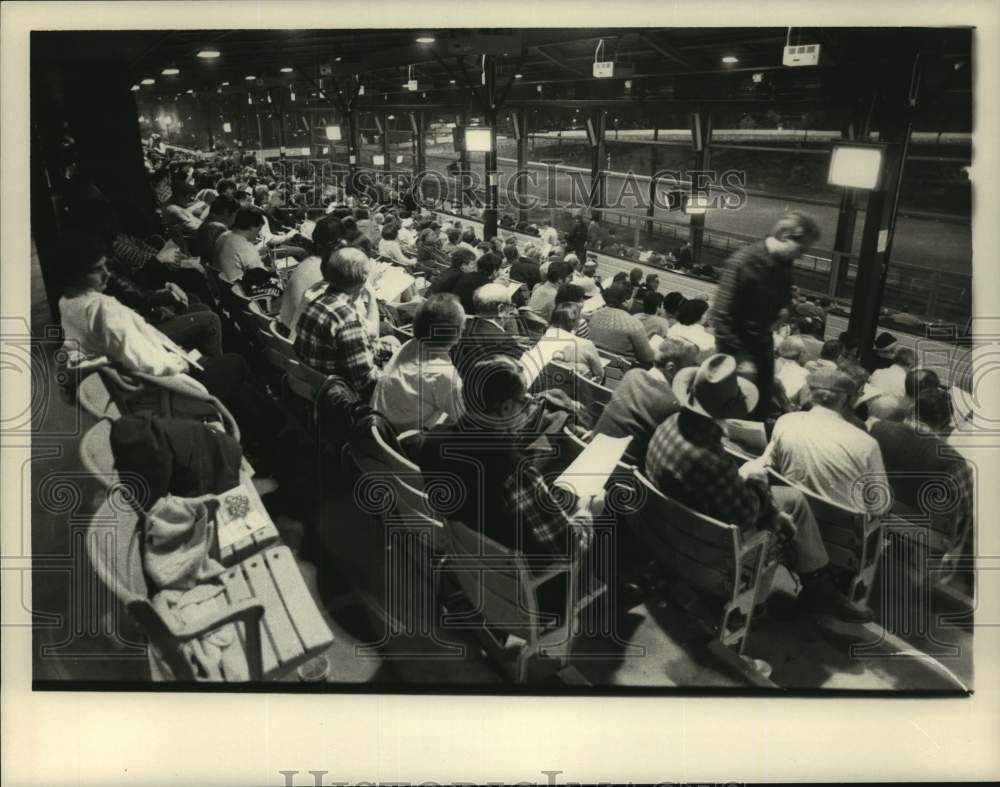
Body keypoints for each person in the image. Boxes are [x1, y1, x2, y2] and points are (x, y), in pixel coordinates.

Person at [644, 354, 872, 622]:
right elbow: (748, 514)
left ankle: (817, 581)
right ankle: (817, 583)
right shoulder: (708, 458)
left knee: (788, 499)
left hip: (672, 531)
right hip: (710, 551)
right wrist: (758, 486)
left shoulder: (669, 424)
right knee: (792, 503)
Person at [418, 355, 596, 560]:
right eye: (524, 399)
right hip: (524, 578)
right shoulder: (514, 472)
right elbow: (570, 547)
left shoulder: (432, 441)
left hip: (469, 559)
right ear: (505, 408)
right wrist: (586, 509)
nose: (531, 402)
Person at [710, 211, 822, 420]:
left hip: (761, 348)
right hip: (736, 352)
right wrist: (740, 358)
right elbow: (720, 315)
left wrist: (784, 311)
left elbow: (785, 301)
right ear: (785, 235)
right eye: (801, 248)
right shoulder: (743, 261)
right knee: (736, 414)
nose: (802, 255)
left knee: (759, 412)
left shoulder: (785, 265)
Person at [744, 367, 890, 516]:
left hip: (792, 516)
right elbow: (879, 506)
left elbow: (771, 464)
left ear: (809, 394)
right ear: (847, 399)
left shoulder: (785, 422)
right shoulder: (866, 444)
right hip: (841, 534)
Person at [870, 387, 973, 550]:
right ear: (946, 424)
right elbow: (967, 510)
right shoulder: (953, 462)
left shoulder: (878, 429)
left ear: (913, 409)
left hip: (875, 517)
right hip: (922, 537)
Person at [293, 247, 386, 400]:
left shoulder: (315, 302)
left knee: (390, 343)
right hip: (344, 398)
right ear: (363, 281)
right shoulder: (348, 320)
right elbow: (366, 383)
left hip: (319, 385)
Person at [593, 337, 699, 465]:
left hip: (593, 453)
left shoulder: (632, 375)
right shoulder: (673, 405)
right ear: (671, 368)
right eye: (692, 365)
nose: (697, 371)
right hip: (624, 473)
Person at [371, 294, 466, 433]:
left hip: (380, 429)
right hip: (405, 444)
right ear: (456, 333)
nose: (464, 328)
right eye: (462, 324)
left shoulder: (410, 345)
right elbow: (464, 420)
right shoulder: (444, 374)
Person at [451, 282, 527, 380]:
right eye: (510, 306)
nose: (513, 311)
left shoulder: (461, 328)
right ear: (501, 309)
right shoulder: (507, 344)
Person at [520, 301, 605, 385]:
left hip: (548, 385)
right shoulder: (586, 345)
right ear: (577, 322)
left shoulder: (545, 339)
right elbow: (599, 375)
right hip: (579, 391)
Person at [588, 279, 655, 366]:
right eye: (632, 298)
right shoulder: (634, 324)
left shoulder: (594, 316)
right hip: (623, 373)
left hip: (594, 368)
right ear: (627, 300)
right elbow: (648, 357)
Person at [214, 207, 267, 284]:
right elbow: (262, 276)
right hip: (239, 290)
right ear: (252, 227)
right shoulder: (246, 246)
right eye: (259, 229)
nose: (258, 234)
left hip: (222, 286)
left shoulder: (223, 236)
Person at [193, 194, 239, 264]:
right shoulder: (218, 227)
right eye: (236, 215)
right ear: (226, 212)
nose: (236, 219)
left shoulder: (209, 221)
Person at [774, 335, 810, 407]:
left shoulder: (769, 363)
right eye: (805, 352)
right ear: (801, 354)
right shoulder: (804, 373)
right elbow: (804, 404)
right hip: (785, 413)